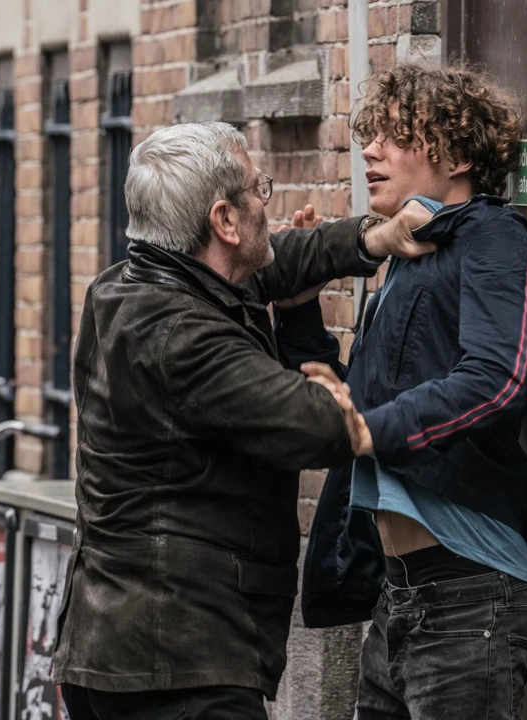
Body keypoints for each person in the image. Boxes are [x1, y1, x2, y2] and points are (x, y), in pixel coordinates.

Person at [50, 121, 433, 720]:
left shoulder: (129, 287)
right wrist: (329, 391)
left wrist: (376, 237)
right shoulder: (181, 335)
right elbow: (317, 426)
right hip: (176, 662)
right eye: (261, 191)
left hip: (122, 650)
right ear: (225, 220)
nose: (268, 203)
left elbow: (274, 265)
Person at [276, 63, 527, 720]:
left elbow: (495, 380)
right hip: (396, 599)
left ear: (454, 155)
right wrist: (302, 307)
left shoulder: (490, 236)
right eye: (372, 136)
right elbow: (346, 406)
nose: (371, 150)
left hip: (468, 598)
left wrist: (374, 429)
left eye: (396, 135)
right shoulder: (403, 255)